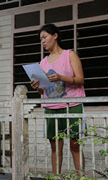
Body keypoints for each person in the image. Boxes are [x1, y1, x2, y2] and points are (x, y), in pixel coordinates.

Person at [30, 24, 86, 175]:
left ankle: (81, 177)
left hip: (72, 104)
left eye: (45, 37)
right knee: (55, 147)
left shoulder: (70, 55)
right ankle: (56, 177)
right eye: (40, 39)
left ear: (55, 36)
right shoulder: (43, 62)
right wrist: (36, 86)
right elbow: (43, 89)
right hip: (51, 107)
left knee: (75, 144)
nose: (42, 41)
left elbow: (80, 79)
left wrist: (61, 78)